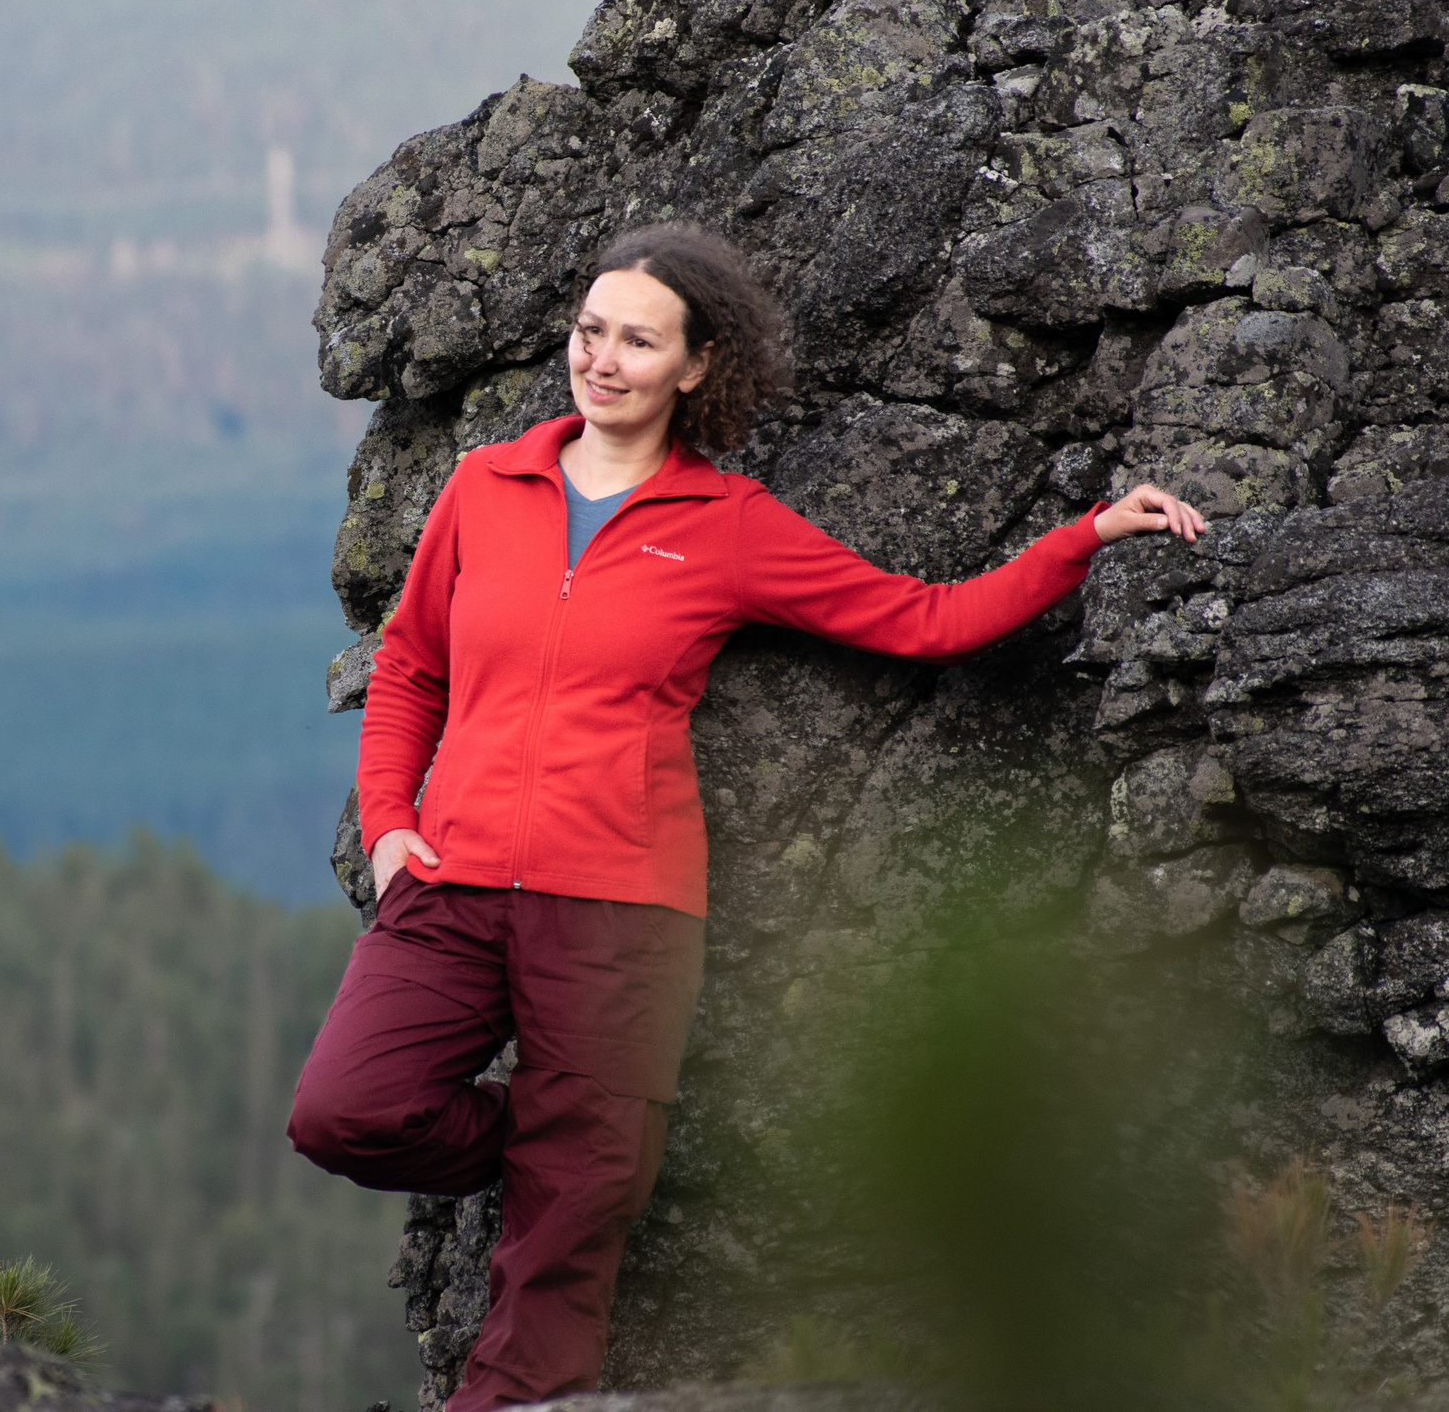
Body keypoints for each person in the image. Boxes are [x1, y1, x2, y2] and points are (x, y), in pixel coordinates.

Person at [285, 223, 1205, 1412]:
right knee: (346, 1111)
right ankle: (565, 1147)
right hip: (450, 888)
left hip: (618, 911)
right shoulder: (484, 485)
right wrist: (389, 826)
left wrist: (1083, 538)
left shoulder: (725, 525)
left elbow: (925, 622)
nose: (602, 359)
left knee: (570, 1234)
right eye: (589, 331)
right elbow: (410, 667)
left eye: (636, 341)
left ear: (695, 367)